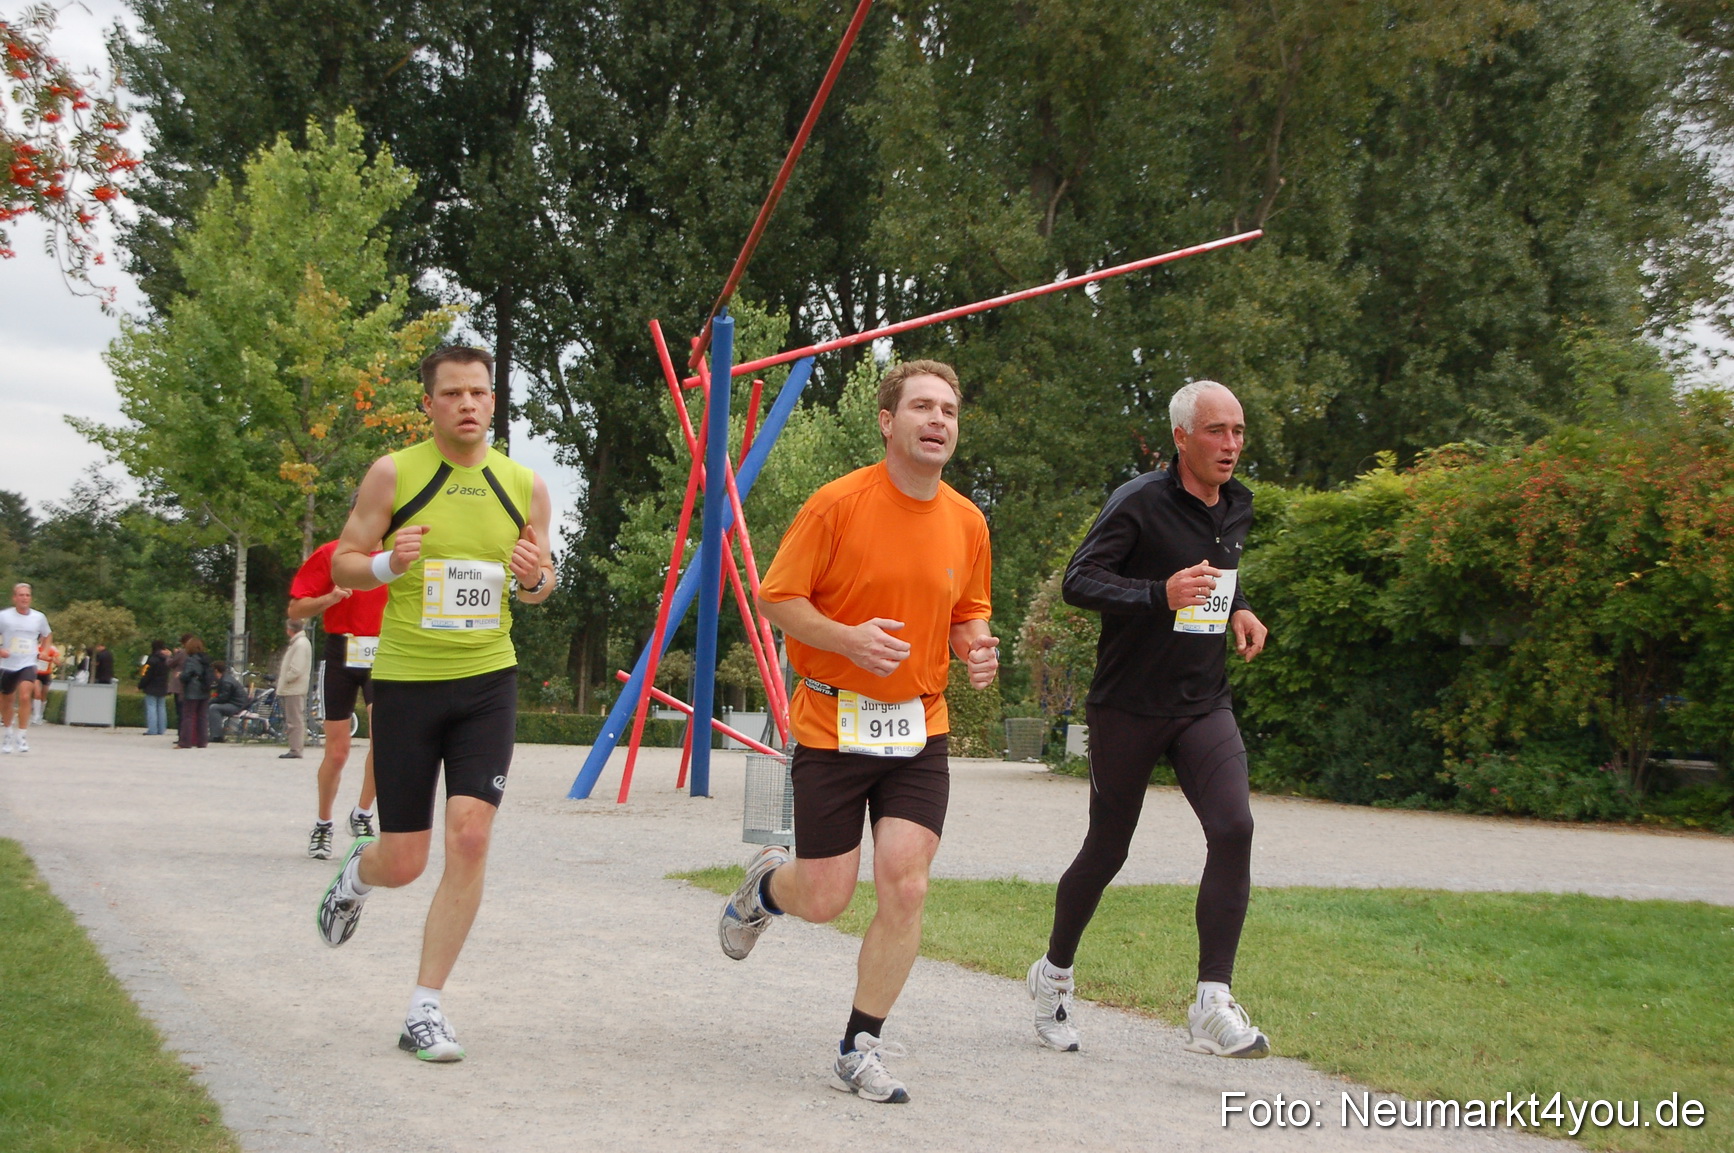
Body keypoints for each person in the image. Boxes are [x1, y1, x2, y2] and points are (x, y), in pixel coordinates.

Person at [720, 360, 998, 1104]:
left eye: (950, 409)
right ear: (887, 421)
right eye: (922, 407)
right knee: (825, 896)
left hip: (918, 728)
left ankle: (859, 1044)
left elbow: (970, 608)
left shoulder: (968, 521)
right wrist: (845, 639)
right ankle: (765, 889)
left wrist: (976, 644)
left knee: (906, 882)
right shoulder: (836, 505)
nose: (939, 420)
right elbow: (776, 598)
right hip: (831, 722)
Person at [317, 345, 554, 1064]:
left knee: (472, 836)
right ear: (429, 404)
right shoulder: (396, 473)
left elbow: (544, 581)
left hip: (489, 680)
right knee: (407, 858)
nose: (468, 405)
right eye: (452, 394)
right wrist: (390, 562)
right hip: (409, 682)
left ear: (493, 400)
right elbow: (343, 561)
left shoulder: (524, 485)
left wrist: (535, 576)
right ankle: (359, 873)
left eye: (479, 392)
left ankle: (425, 1007)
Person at [1025, 380, 1271, 1060]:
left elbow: (1220, 569)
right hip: (1128, 705)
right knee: (1108, 849)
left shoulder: (1238, 505)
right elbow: (1080, 580)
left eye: (1239, 430)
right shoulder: (1137, 502)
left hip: (1203, 702)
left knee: (1235, 826)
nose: (1231, 444)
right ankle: (1052, 975)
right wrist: (1157, 593)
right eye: (1218, 431)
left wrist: (1241, 606)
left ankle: (1212, 1000)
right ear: (1183, 439)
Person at [288, 533, 388, 858]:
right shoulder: (332, 554)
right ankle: (323, 823)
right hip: (341, 651)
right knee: (337, 752)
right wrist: (328, 599)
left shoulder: (398, 556)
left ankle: (362, 814)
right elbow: (296, 608)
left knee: (384, 741)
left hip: (384, 651)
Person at [0, 582, 52, 754]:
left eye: (27, 595)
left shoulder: (38, 617)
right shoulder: (4, 616)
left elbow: (47, 634)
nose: (24, 598)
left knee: (24, 696)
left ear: (31, 598)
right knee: (6, 701)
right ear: (15, 598)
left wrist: (44, 650)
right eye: (21, 595)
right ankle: (8, 732)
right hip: (7, 665)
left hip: (28, 663)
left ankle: (22, 735)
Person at [277, 619, 312, 760]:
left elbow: (296, 668)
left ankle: (295, 749)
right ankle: (295, 747)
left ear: (290, 629)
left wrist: (285, 678)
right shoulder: (300, 643)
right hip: (293, 687)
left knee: (295, 720)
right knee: (294, 718)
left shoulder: (300, 644)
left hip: (294, 688)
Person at [177, 636, 213, 749]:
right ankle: (202, 742)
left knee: (188, 716)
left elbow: (187, 675)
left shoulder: (191, 659)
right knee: (202, 717)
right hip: (204, 689)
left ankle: (185, 742)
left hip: (193, 690)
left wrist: (180, 676)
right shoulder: (206, 659)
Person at [208, 660, 248, 741]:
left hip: (236, 705)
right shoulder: (226, 678)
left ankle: (216, 736)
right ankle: (213, 733)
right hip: (236, 704)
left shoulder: (226, 681)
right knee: (212, 706)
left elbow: (223, 698)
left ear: (216, 670)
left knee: (214, 708)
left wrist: (209, 701)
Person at [139, 639, 171, 736]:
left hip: (152, 686)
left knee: (151, 707)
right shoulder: (166, 659)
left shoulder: (152, 659)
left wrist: (141, 685)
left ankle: (152, 730)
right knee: (161, 707)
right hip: (163, 685)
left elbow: (146, 674)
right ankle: (161, 729)